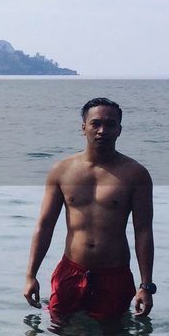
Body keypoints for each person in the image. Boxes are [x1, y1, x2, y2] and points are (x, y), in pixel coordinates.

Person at [23, 97, 155, 319]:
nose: (102, 130)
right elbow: (45, 225)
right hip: (71, 271)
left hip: (115, 274)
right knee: (61, 335)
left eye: (110, 124)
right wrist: (30, 275)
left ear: (119, 130)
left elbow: (143, 231)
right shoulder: (62, 171)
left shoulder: (135, 174)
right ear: (83, 127)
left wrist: (146, 286)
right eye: (95, 123)